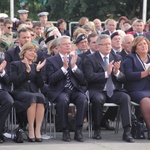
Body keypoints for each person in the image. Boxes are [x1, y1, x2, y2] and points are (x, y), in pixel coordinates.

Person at [83, 34, 134, 143]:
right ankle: (97, 128)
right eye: (105, 44)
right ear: (98, 46)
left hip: (114, 90)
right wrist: (106, 74)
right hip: (97, 90)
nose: (108, 47)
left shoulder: (117, 57)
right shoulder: (89, 58)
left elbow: (124, 78)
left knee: (125, 97)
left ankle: (127, 131)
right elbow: (89, 77)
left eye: (109, 44)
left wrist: (117, 73)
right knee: (98, 99)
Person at [46, 36, 88, 142]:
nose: (68, 45)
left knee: (83, 99)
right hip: (60, 90)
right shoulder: (51, 61)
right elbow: (51, 80)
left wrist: (74, 67)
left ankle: (78, 130)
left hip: (74, 89)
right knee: (63, 100)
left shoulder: (77, 59)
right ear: (59, 47)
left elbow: (83, 80)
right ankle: (65, 130)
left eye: (69, 43)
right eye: (65, 44)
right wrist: (63, 69)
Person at [10, 42, 46, 142]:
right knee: (32, 98)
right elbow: (14, 81)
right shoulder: (15, 64)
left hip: (33, 92)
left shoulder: (36, 65)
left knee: (41, 97)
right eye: (30, 51)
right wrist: (26, 71)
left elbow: (40, 85)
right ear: (24, 52)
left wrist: (38, 72)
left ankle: (37, 130)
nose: (33, 53)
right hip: (20, 92)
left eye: (34, 52)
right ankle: (30, 128)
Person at [123, 36, 150, 140]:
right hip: (136, 89)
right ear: (135, 48)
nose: (144, 46)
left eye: (145, 44)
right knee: (146, 101)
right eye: (140, 44)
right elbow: (128, 75)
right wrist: (145, 73)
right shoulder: (130, 58)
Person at [0, 59, 14, 143]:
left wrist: (2, 72)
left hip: (1, 91)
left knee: (9, 101)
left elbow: (8, 81)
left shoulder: (2, 62)